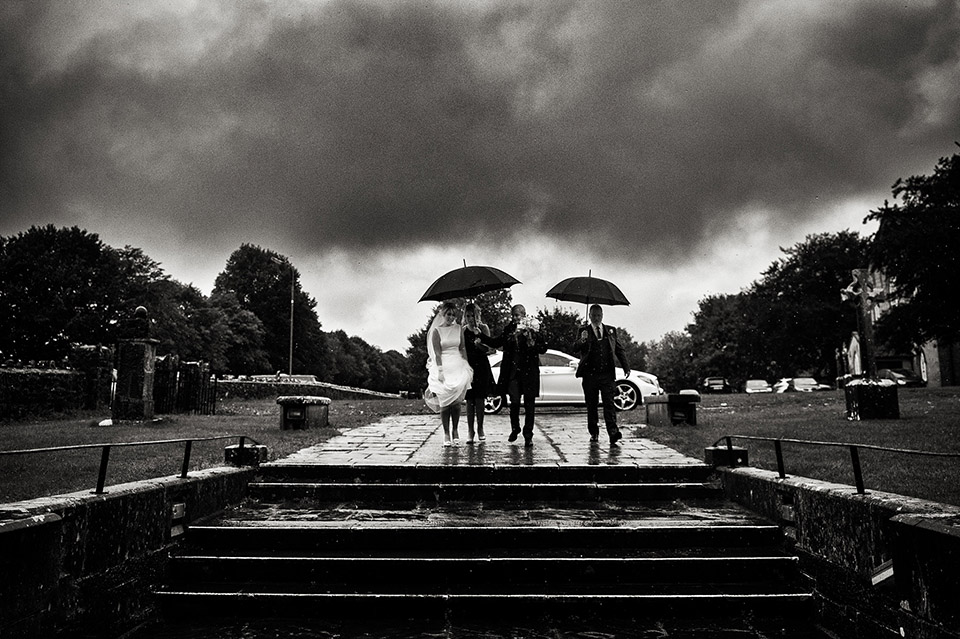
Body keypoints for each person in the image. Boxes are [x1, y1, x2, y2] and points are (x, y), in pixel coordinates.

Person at [479, 304, 547, 447]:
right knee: (514, 403)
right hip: (513, 373)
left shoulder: (533, 329)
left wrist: (531, 341)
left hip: (529, 373)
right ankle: (515, 428)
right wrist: (481, 336)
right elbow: (497, 342)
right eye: (514, 315)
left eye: (518, 315)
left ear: (524, 315)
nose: (516, 318)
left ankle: (528, 434)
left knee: (529, 405)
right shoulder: (509, 329)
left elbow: (543, 348)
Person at [573, 304, 631, 445]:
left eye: (598, 315)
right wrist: (582, 340)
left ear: (602, 315)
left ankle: (613, 433)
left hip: (607, 374)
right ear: (590, 316)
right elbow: (574, 348)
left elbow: (619, 349)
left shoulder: (611, 331)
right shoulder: (583, 330)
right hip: (590, 375)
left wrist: (626, 367)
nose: (596, 318)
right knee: (591, 405)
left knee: (609, 404)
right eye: (593, 315)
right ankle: (594, 432)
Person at [424, 301, 474, 446]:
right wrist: (440, 371)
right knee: (445, 403)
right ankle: (446, 433)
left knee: (457, 403)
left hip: (457, 364)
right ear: (443, 314)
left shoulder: (459, 328)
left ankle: (455, 430)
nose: (451, 317)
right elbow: (437, 353)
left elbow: (462, 347)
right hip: (443, 366)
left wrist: (465, 363)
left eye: (453, 314)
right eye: (448, 314)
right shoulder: (437, 331)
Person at [462, 303, 493, 444]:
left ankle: (480, 428)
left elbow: (488, 349)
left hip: (481, 366)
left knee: (480, 399)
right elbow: (461, 349)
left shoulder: (483, 328)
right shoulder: (463, 331)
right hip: (468, 366)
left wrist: (478, 342)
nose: (470, 319)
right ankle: (470, 430)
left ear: (477, 316)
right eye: (467, 316)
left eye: (472, 316)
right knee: (469, 400)